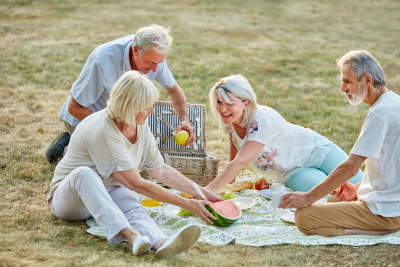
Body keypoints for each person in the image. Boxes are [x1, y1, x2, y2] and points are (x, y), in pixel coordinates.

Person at [48, 71, 222, 258]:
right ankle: (130, 235)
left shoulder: (140, 124)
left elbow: (161, 170)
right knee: (85, 174)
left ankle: (161, 243)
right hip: (71, 200)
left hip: (110, 191)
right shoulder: (101, 128)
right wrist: (187, 203)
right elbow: (137, 184)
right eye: (147, 107)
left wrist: (200, 191)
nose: (152, 111)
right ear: (130, 107)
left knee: (133, 205)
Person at [280, 50, 400, 237]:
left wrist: (308, 197)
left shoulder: (380, 114)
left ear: (367, 80)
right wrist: (358, 188)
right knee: (334, 199)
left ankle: (379, 230)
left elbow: (351, 167)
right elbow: (392, 169)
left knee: (304, 217)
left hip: (388, 213)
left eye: (347, 81)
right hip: (389, 204)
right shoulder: (393, 103)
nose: (342, 88)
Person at [46, 24, 195, 164]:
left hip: (122, 120)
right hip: (85, 118)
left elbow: (174, 91)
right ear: (135, 50)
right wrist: (114, 128)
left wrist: (185, 120)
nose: (155, 70)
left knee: (134, 160)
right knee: (108, 165)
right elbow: (74, 107)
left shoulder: (154, 57)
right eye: (151, 63)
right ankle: (67, 148)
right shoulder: (102, 61)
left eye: (159, 63)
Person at [204, 74, 363, 194]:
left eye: (230, 103)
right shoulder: (229, 120)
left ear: (246, 103)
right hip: (291, 173)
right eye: (219, 102)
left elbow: (239, 161)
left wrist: (208, 191)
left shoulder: (262, 120)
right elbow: (235, 143)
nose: (223, 109)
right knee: (332, 195)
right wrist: (229, 185)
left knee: (365, 187)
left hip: (315, 151)